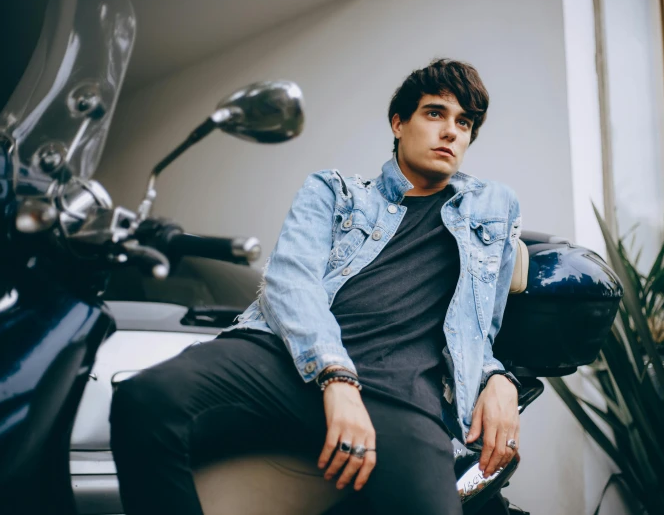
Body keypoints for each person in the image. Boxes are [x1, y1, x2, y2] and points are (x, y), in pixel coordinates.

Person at [110, 58, 523, 515]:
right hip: (286, 363)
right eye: (435, 113)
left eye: (463, 123)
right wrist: (337, 377)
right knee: (141, 401)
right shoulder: (335, 191)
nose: (450, 131)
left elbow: (481, 323)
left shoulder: (491, 208)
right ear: (398, 122)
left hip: (401, 395)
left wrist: (496, 376)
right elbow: (289, 281)